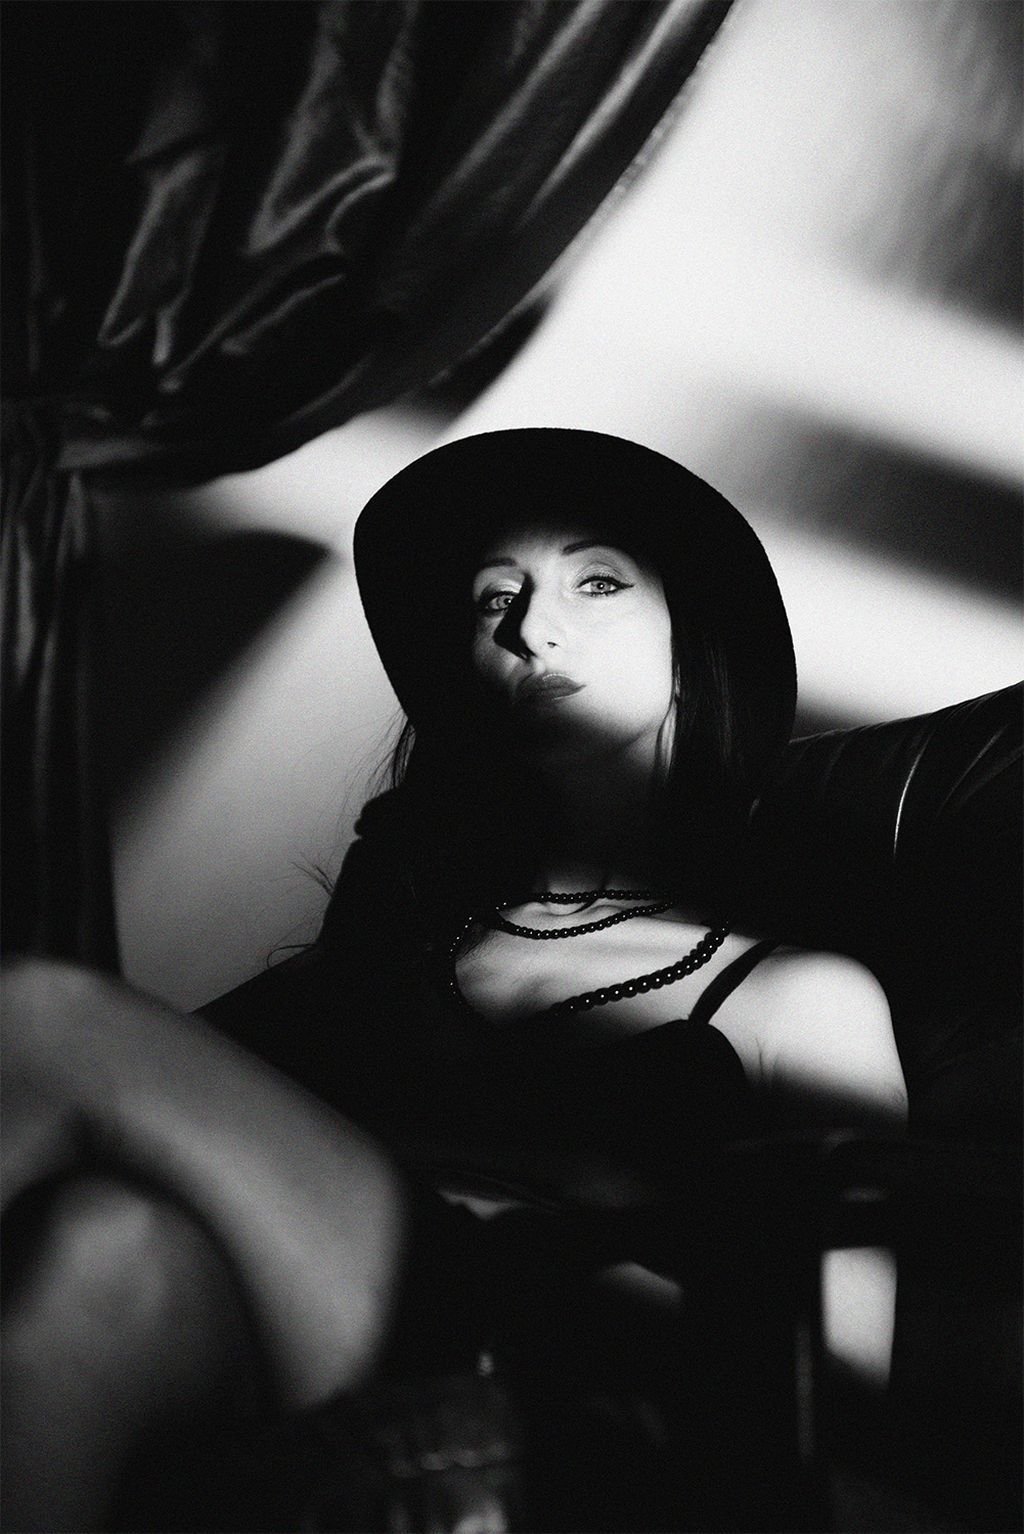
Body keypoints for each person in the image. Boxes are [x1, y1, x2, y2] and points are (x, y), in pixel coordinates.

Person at [2, 429, 907, 1530]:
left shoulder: (799, 994)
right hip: (320, 1317)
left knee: (45, 1010)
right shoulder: (390, 944)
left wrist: (522, 1237)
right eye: (494, 600)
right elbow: (159, 1105)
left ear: (693, 636)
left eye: (598, 582)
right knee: (99, 1251)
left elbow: (841, 1376)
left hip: (566, 1361)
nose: (531, 628)